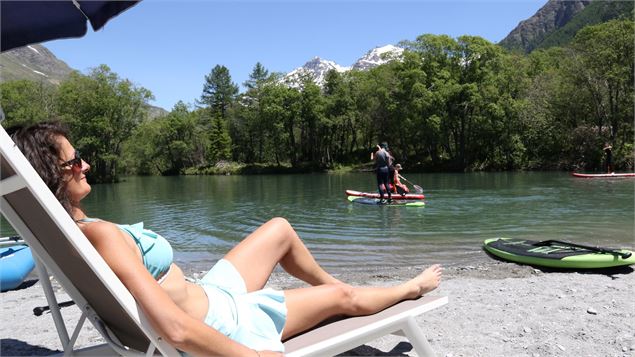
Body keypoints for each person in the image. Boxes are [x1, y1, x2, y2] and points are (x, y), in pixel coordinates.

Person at [9, 122, 442, 357]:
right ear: (53, 176)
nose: (85, 165)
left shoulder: (72, 234)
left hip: (210, 292)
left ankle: (325, 286)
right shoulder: (100, 236)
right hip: (226, 321)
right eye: (74, 162)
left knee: (279, 228)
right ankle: (408, 287)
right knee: (344, 298)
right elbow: (175, 328)